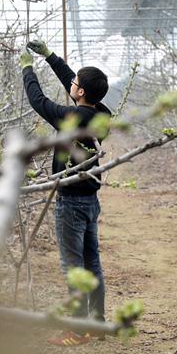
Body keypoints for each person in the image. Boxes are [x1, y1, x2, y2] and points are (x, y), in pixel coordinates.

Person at [20, 41, 111, 323]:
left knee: (73, 265)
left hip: (70, 202)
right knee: (91, 262)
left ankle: (77, 327)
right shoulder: (101, 115)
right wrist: (51, 58)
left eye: (75, 83)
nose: (71, 84)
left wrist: (27, 69)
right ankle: (96, 321)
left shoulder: (72, 117)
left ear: (80, 91)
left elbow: (39, 102)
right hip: (90, 200)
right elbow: (77, 87)